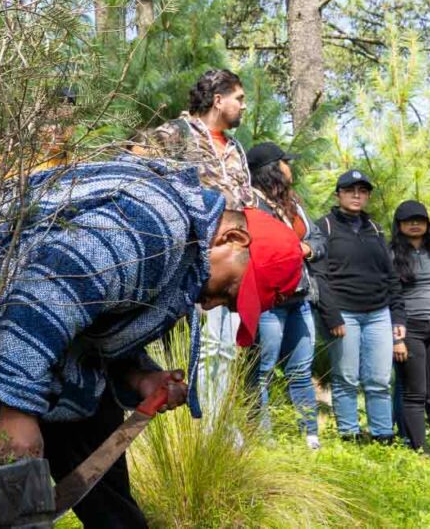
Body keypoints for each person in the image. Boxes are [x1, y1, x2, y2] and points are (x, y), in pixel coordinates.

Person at [0, 156, 302, 528]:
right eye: (230, 292)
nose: (212, 303)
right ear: (233, 239)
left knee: (111, 507)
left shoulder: (187, 258)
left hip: (49, 346)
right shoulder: (156, 227)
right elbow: (44, 296)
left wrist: (140, 377)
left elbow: (95, 314)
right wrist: (17, 411)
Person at [132, 69, 253, 414]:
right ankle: (178, 415)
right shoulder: (175, 133)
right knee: (185, 346)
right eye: (239, 99)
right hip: (185, 263)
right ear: (218, 99)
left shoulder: (235, 149)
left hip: (229, 262)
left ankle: (216, 420)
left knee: (224, 347)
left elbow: (245, 199)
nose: (244, 107)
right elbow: (136, 167)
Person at [310, 170, 405, 443]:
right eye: (350, 190)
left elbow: (391, 278)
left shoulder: (375, 229)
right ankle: (349, 436)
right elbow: (319, 277)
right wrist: (332, 315)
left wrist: (397, 318)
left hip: (378, 314)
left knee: (379, 379)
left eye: (362, 191)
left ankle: (383, 437)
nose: (356, 195)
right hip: (343, 315)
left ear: (367, 196)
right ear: (338, 194)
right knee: (346, 378)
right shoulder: (325, 227)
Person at [246, 142, 325, 449]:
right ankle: (263, 439)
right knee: (262, 371)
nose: (291, 168)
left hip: (300, 298)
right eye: (286, 163)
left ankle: (310, 436)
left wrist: (308, 248)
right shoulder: (251, 204)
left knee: (301, 369)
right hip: (269, 302)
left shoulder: (294, 203)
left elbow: (317, 238)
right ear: (272, 170)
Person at [389, 200, 430, 456]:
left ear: (427, 224)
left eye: (420, 219)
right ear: (400, 225)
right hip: (410, 330)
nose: (415, 224)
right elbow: (390, 298)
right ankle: (420, 451)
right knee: (415, 393)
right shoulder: (392, 254)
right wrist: (397, 337)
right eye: (409, 220)